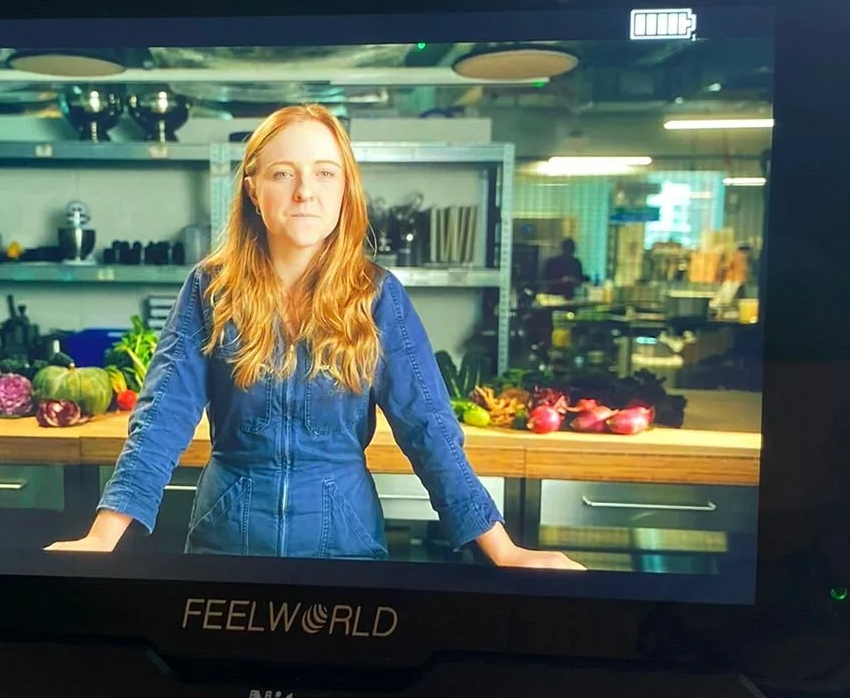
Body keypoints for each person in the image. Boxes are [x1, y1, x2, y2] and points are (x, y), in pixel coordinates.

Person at [50, 103, 584, 568]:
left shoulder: (378, 295)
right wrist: (102, 537)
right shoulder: (210, 290)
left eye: (325, 173)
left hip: (346, 547)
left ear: (345, 189)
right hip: (225, 545)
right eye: (283, 173)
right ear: (253, 189)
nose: (305, 191)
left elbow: (430, 430)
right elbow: (161, 419)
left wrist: (504, 550)